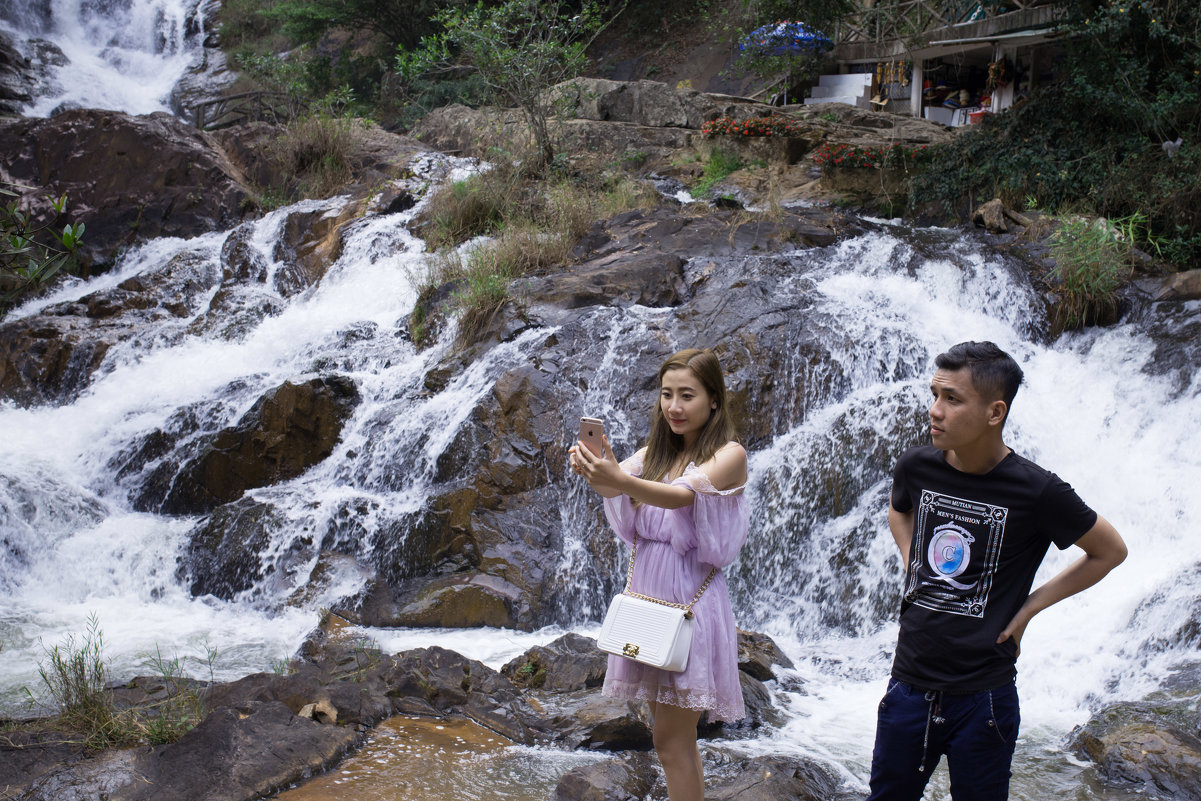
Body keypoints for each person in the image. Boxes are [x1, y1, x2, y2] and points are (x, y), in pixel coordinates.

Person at [867, 341, 1128, 801]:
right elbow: (898, 509)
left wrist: (1028, 609)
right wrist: (913, 563)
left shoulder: (1038, 490)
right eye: (934, 394)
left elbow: (1109, 551)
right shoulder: (916, 465)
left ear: (994, 412)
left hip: (983, 696)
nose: (935, 411)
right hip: (908, 684)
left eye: (953, 399)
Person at [569, 348, 748, 801]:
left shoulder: (729, 456)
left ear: (713, 399)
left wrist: (622, 480)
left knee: (672, 742)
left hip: (689, 605)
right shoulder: (653, 454)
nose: (674, 406)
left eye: (687, 395)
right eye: (667, 394)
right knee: (667, 741)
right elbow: (615, 486)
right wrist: (596, 468)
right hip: (650, 605)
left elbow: (682, 496)